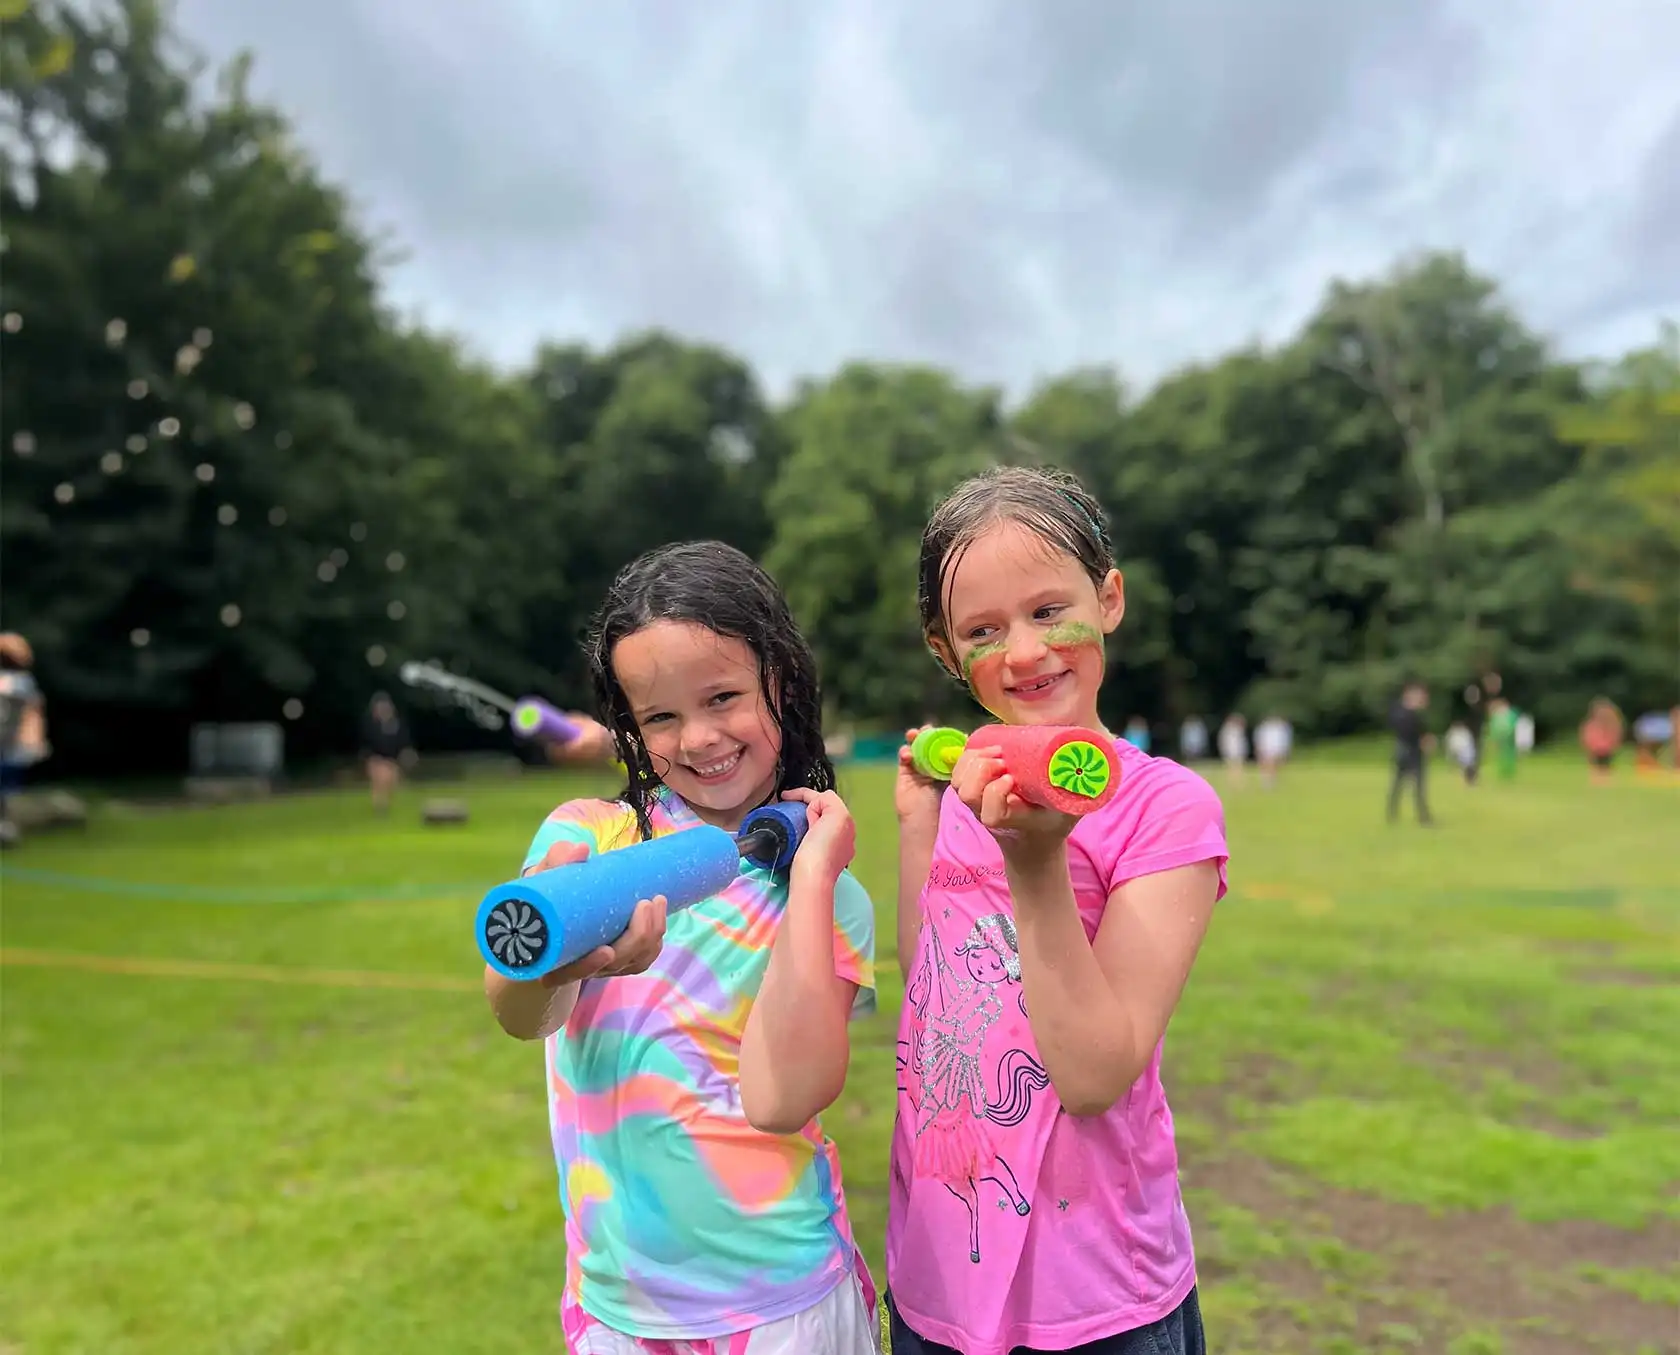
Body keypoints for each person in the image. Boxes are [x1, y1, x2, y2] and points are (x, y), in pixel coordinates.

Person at [482, 541, 881, 1355]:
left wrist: (811, 883)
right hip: (617, 1309)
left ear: (782, 684)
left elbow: (784, 1097)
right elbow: (521, 1015)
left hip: (782, 1309)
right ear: (629, 725)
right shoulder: (588, 840)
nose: (698, 738)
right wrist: (553, 965)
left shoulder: (829, 895)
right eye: (660, 716)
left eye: (723, 696)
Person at [889, 466, 1228, 1355]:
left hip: (1095, 1299)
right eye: (983, 630)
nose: (1026, 651)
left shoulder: (1166, 809)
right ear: (945, 651)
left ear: (1108, 599)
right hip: (938, 1280)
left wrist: (1036, 862)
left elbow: (1092, 1075)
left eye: (1048, 610)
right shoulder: (971, 788)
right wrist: (920, 820)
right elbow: (930, 981)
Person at [0, 633, 49, 829]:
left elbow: (32, 712)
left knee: (8, 785)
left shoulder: (21, 683)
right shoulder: (21, 682)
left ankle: (6, 823)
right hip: (12, 742)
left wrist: (35, 739)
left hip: (13, 742)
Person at [1386, 681, 1434, 825]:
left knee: (1401, 784)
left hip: (1404, 750)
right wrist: (1424, 740)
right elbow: (1413, 731)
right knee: (1415, 785)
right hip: (1411, 751)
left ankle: (1393, 813)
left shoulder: (1401, 711)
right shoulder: (1407, 713)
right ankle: (1422, 816)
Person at [357, 691, 412, 814]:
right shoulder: (371, 725)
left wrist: (405, 753)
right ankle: (379, 807)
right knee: (379, 781)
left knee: (391, 783)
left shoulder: (396, 724)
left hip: (392, 759)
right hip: (376, 758)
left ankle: (385, 805)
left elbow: (403, 740)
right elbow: (367, 741)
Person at [1578, 697, 1624, 784]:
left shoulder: (1611, 723)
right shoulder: (1592, 724)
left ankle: (1603, 780)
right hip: (1597, 748)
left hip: (1605, 748)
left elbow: (1615, 735)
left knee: (1605, 765)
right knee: (1598, 765)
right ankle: (1599, 780)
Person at [1253, 714, 1292, 789]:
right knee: (1265, 765)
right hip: (1266, 748)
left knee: (1272, 765)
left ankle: (1270, 781)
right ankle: (1267, 780)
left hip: (1272, 749)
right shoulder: (1264, 729)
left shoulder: (1278, 729)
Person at [1216, 713, 1248, 783]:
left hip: (1237, 749)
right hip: (1230, 749)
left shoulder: (1237, 730)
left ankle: (1237, 778)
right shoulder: (1227, 730)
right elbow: (1223, 741)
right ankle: (1232, 779)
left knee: (1238, 764)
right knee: (1231, 765)